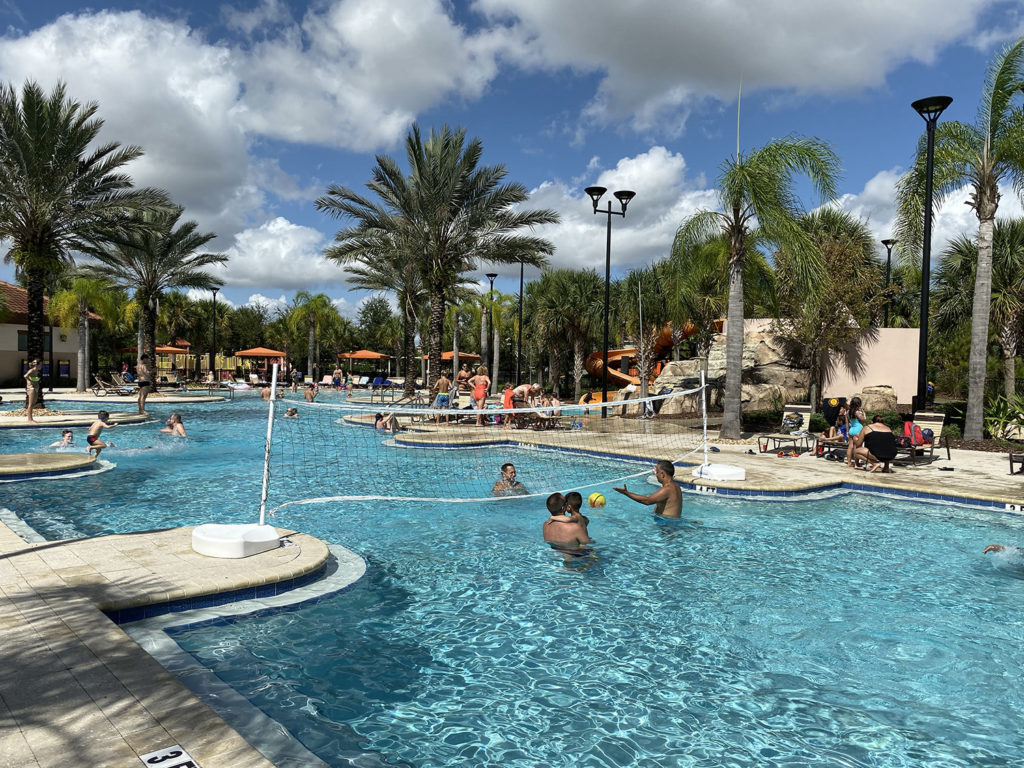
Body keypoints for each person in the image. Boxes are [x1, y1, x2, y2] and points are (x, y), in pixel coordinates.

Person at [613, 460, 683, 518]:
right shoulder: (676, 486)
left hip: (667, 525)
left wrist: (626, 493)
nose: (656, 475)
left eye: (657, 472)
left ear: (662, 474)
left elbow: (647, 501)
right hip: (670, 523)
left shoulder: (667, 489)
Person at [845, 396, 866, 467]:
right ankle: (856, 464)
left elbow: (847, 423)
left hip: (852, 429)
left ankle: (849, 463)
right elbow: (863, 420)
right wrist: (863, 413)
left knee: (850, 446)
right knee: (857, 447)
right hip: (858, 429)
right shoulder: (857, 412)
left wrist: (847, 431)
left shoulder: (848, 412)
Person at [24, 358, 41, 423]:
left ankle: (31, 418)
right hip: (31, 387)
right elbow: (25, 376)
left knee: (34, 403)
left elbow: (36, 378)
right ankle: (29, 419)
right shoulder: (32, 370)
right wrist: (29, 381)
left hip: (36, 387)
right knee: (30, 404)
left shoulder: (37, 371)